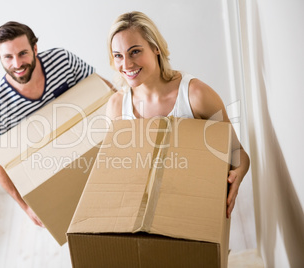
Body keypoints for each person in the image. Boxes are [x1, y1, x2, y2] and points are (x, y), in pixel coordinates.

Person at [106, 11, 250, 218]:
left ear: (155, 48)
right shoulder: (117, 107)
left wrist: (237, 175)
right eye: (118, 55)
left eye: (135, 52)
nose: (126, 65)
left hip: (195, 210)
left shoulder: (195, 96)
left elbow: (237, 153)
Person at [0, 21, 104, 226]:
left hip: (92, 148)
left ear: (35, 48)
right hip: (50, 172)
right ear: (0, 58)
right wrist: (26, 206)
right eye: (8, 57)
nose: (17, 64)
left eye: (23, 53)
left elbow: (100, 88)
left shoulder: (62, 60)